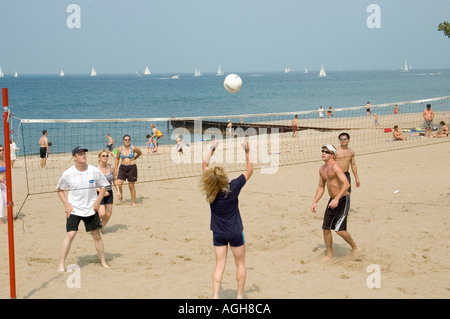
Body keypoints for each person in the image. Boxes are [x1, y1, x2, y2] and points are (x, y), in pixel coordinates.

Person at [201, 140, 253, 299]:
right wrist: (247, 152)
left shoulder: (210, 190)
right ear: (224, 177)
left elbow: (204, 166)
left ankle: (216, 296)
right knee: (241, 264)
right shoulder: (233, 186)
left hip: (218, 233)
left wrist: (211, 148)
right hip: (235, 231)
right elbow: (249, 170)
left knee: (219, 266)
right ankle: (239, 297)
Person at [56, 146, 110, 271]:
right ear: (74, 157)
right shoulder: (68, 173)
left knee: (96, 234)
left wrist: (97, 201)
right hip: (74, 209)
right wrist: (67, 205)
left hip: (90, 208)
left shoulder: (93, 170)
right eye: (80, 154)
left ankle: (103, 262)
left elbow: (104, 186)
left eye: (84, 153)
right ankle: (61, 264)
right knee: (71, 234)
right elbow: (60, 190)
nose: (83, 155)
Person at [311, 145, 360, 260]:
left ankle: (355, 247)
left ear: (332, 155)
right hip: (332, 200)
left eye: (326, 152)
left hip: (343, 199)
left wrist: (337, 198)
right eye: (322, 151)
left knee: (339, 230)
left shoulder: (336, 167)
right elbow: (321, 187)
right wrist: (314, 202)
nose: (323, 153)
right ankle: (329, 255)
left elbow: (346, 184)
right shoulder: (322, 169)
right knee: (326, 228)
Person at [115, 135, 142, 206]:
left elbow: (140, 153)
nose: (127, 141)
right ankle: (120, 197)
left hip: (132, 168)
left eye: (128, 140)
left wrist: (134, 159)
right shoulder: (119, 149)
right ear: (123, 140)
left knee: (131, 186)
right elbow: (117, 158)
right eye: (125, 139)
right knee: (118, 184)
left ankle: (133, 202)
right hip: (122, 168)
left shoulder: (133, 148)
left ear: (130, 140)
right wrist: (116, 169)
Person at [96, 150, 117, 230]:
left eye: (107, 156)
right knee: (102, 214)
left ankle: (100, 229)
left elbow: (114, 179)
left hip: (109, 192)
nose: (105, 157)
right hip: (99, 192)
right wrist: (101, 191)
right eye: (103, 156)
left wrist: (118, 191)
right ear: (99, 158)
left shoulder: (111, 167)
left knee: (108, 214)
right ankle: (92, 222)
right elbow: (91, 184)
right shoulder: (95, 169)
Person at [0, 146, 6, 225]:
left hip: (4, 182)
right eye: (0, 150)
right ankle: (0, 220)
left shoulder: (4, 159)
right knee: (0, 201)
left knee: (5, 201)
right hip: (0, 182)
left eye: (3, 150)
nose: (2, 151)